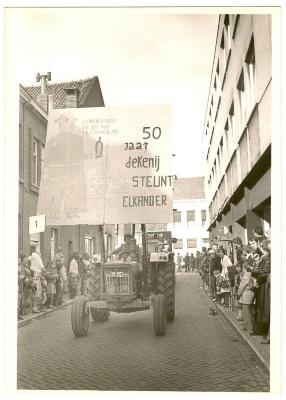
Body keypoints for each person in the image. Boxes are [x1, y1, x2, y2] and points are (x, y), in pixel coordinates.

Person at [237, 263, 255, 334]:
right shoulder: (252, 275)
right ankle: (246, 325)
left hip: (246, 293)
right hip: (251, 293)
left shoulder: (245, 276)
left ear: (244, 268)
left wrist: (239, 293)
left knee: (246, 311)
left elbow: (241, 286)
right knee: (250, 311)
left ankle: (249, 327)